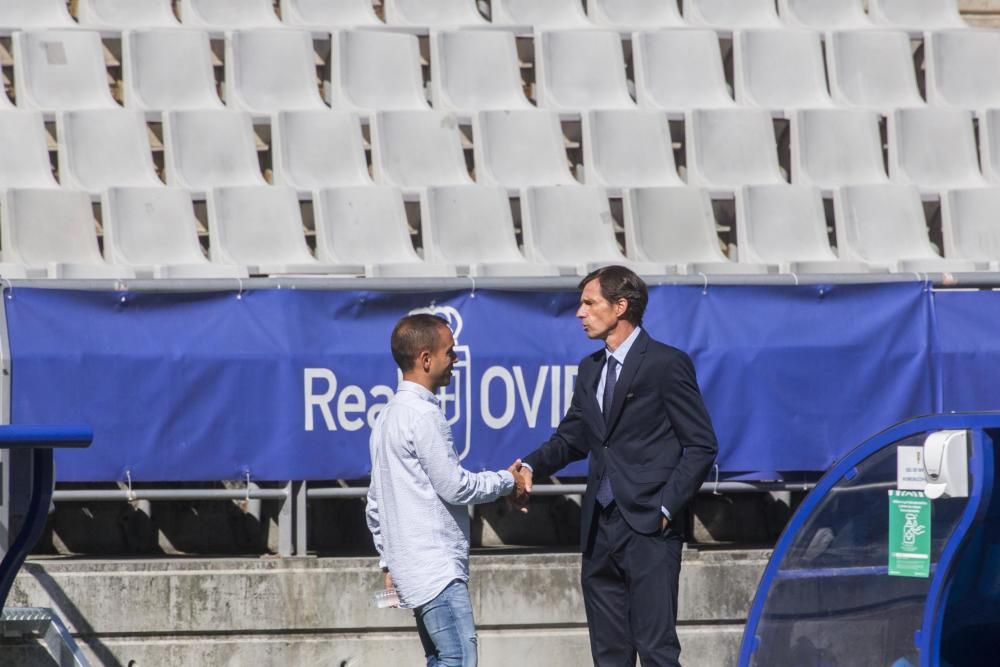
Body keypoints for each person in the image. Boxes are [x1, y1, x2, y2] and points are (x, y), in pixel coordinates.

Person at [512, 265, 718, 666]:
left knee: (657, 651)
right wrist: (531, 466)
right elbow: (573, 437)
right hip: (598, 531)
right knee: (608, 655)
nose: (580, 313)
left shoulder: (665, 363)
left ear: (621, 306)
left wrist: (664, 509)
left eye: (590, 303)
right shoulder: (590, 369)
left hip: (648, 529)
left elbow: (701, 445)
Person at [366, 313, 526, 667]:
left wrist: (389, 560)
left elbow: (375, 505)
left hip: (416, 570)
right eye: (450, 353)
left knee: (442, 659)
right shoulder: (423, 416)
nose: (455, 360)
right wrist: (507, 481)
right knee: (457, 659)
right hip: (437, 571)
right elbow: (455, 486)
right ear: (426, 359)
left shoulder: (388, 417)